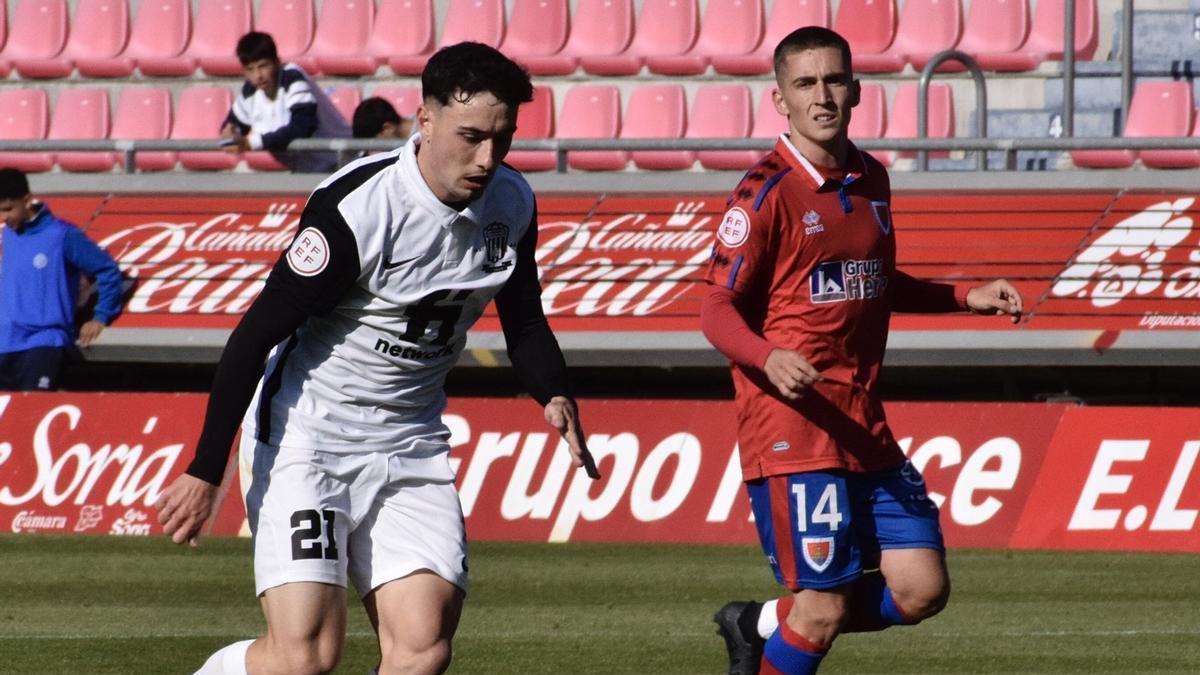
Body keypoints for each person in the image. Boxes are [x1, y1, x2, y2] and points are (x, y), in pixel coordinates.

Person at [155, 42, 600, 675]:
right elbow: (253, 337)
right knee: (305, 658)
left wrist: (553, 392)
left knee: (422, 649)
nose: (488, 158)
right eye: (471, 136)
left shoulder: (512, 204)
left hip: (411, 441)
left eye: (503, 140)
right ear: (424, 120)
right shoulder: (358, 209)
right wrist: (206, 469)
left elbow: (524, 318)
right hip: (309, 435)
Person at [702, 27, 1024, 675]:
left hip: (863, 423)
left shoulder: (871, 176)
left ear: (855, 89)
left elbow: (873, 280)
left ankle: (758, 622)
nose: (822, 96)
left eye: (833, 80)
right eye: (805, 84)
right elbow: (714, 308)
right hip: (795, 430)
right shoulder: (763, 193)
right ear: (779, 100)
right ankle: (779, 628)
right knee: (821, 609)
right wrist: (767, 356)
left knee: (921, 587)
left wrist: (965, 296)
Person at [0, 168, 123, 391]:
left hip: (43, 343)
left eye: (8, 209)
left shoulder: (62, 235)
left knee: (31, 414)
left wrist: (101, 316)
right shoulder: (7, 235)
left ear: (27, 201)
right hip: (5, 342)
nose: (3, 217)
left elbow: (108, 270)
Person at [220, 31, 351, 173]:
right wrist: (231, 134)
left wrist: (251, 143)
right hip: (307, 172)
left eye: (263, 66)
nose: (258, 76)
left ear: (277, 62)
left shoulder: (292, 77)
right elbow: (232, 125)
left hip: (343, 164)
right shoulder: (251, 90)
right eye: (250, 69)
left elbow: (303, 126)